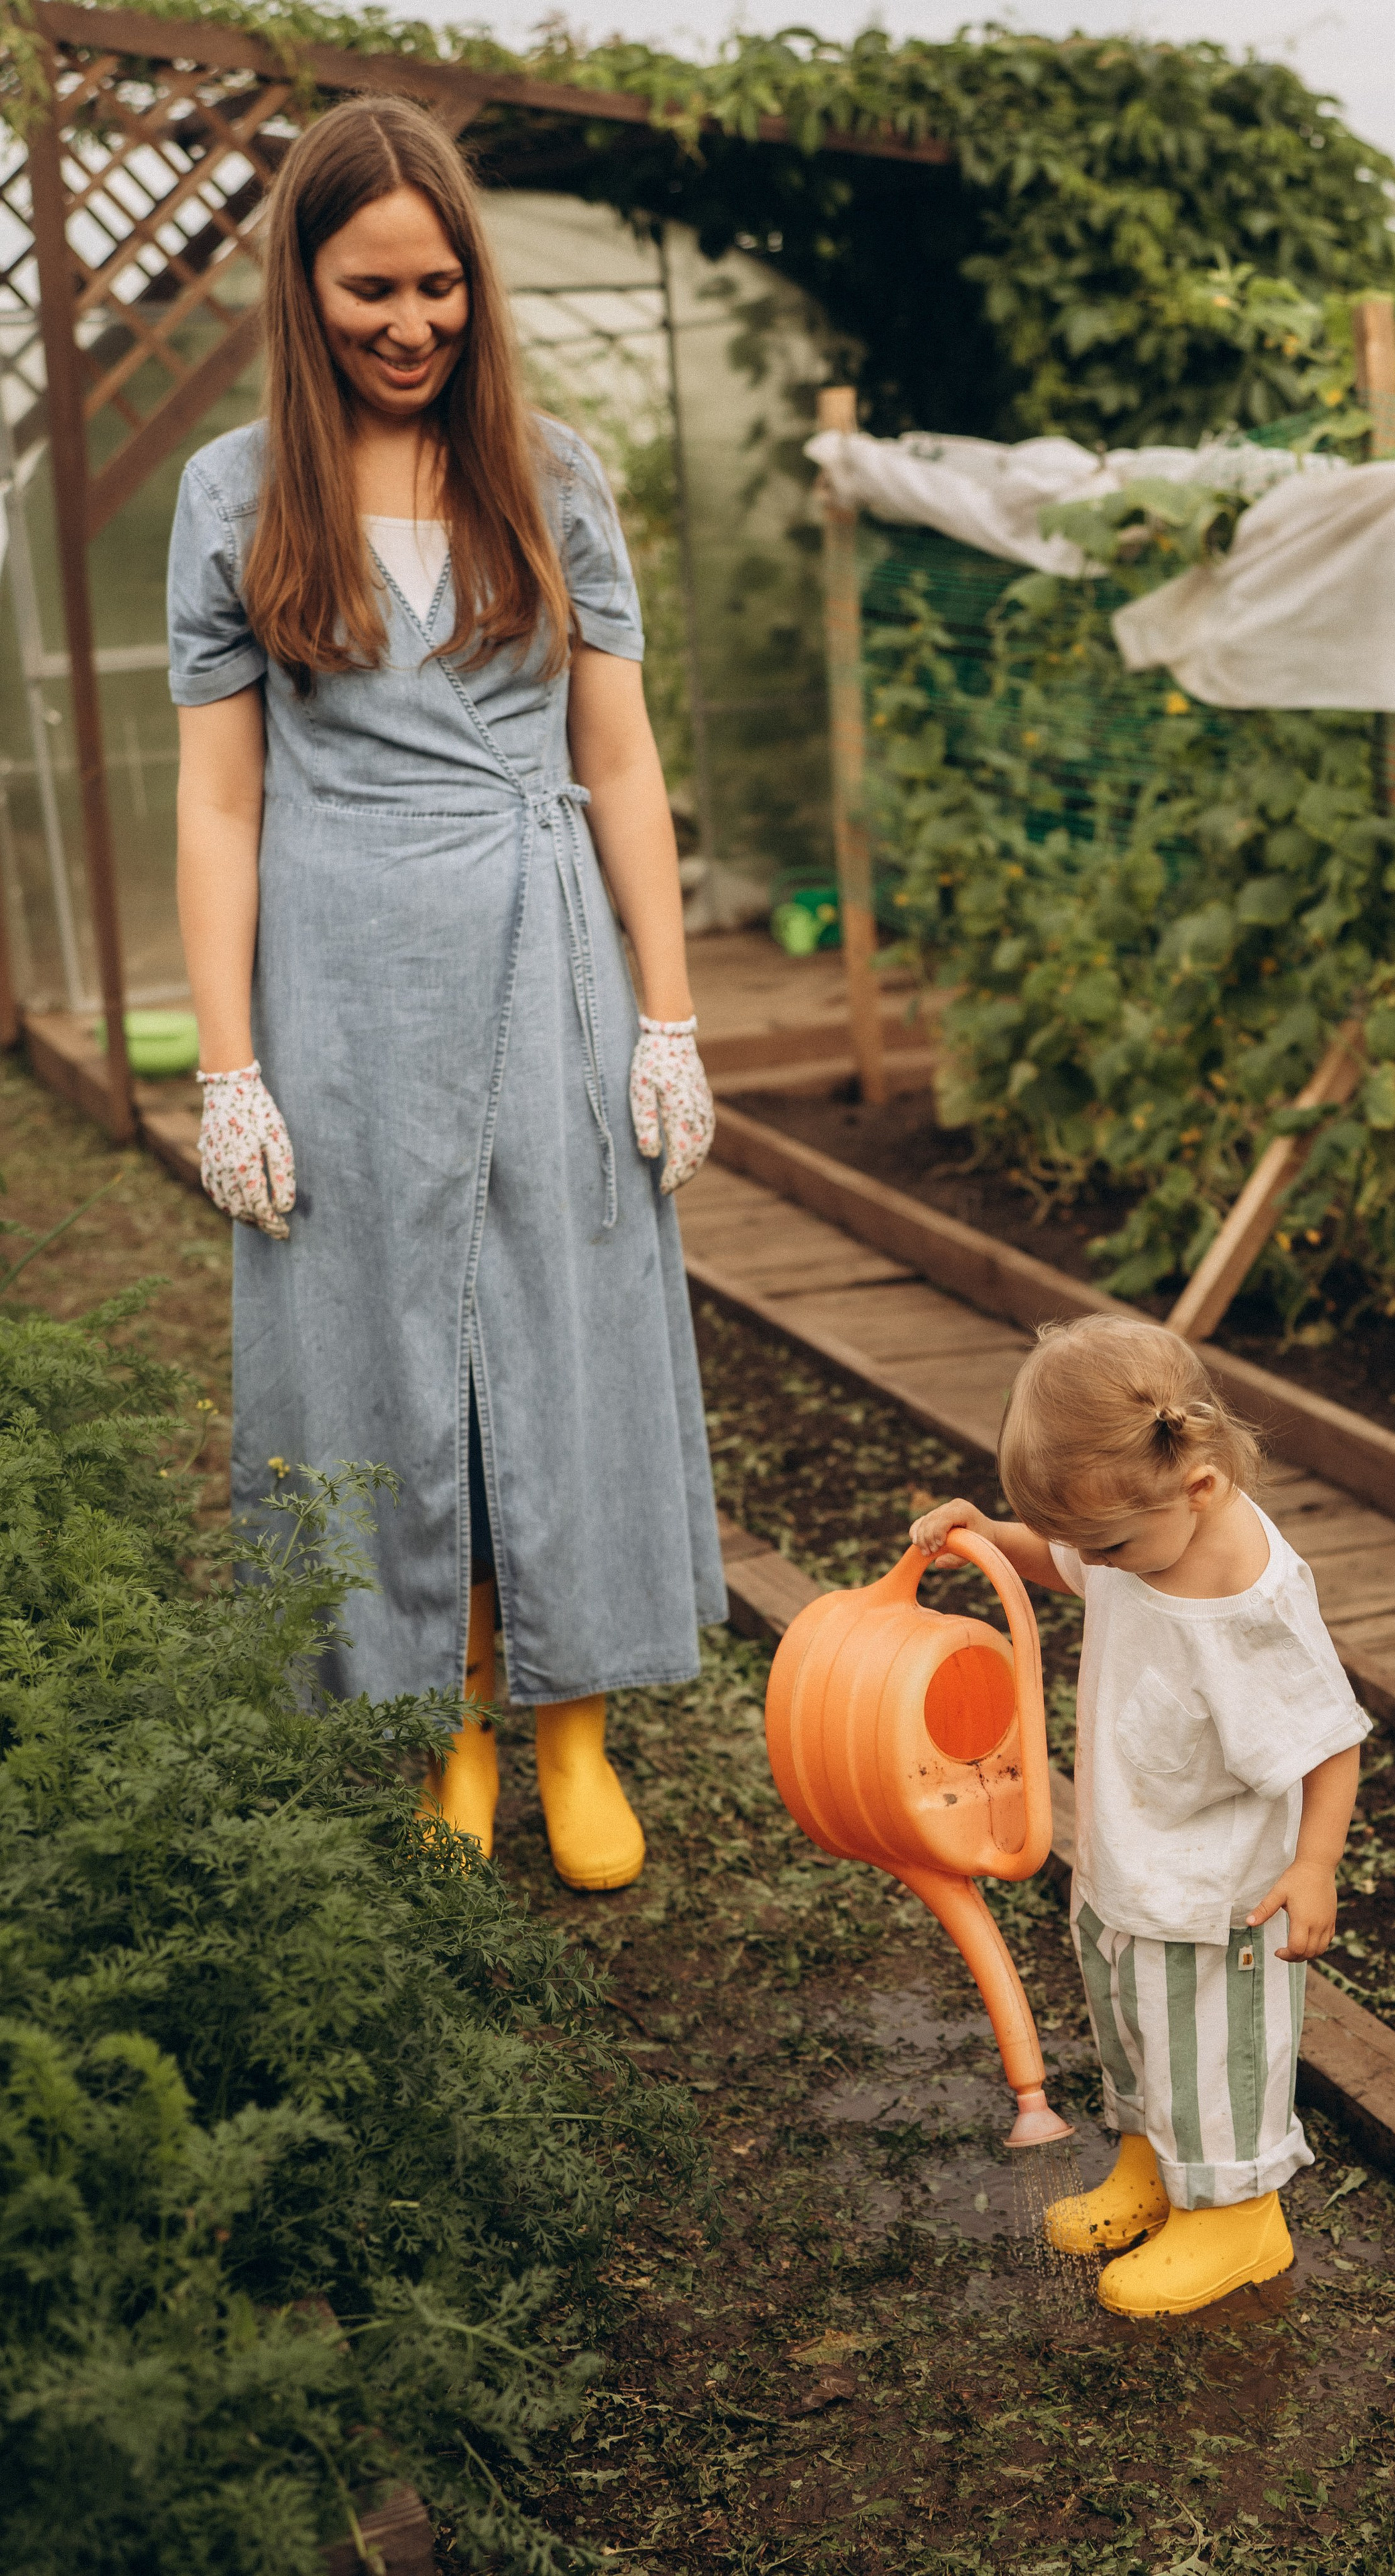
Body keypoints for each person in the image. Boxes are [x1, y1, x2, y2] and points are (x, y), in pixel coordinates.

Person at [168, 95, 726, 1891]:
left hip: (535, 950)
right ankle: (450, 1719)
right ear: (301, 290)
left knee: (559, 1321)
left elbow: (621, 766)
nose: (411, 325)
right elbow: (220, 799)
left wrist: (669, 1013)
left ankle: (575, 1722)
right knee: (375, 1344)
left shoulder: (548, 476)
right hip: (335, 971)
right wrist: (231, 1067)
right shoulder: (235, 497)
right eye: (369, 292)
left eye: (439, 287)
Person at [909, 1314, 1368, 2317]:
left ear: (1199, 1486)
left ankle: (1241, 2215)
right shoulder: (1132, 1533)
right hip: (1127, 1854)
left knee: (1213, 2051)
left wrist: (1317, 1864)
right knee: (1135, 2027)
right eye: (1081, 1542)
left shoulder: (1251, 1601)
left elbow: (1331, 1737)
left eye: (1102, 1544)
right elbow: (1066, 1554)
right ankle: (1151, 2166)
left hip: (1219, 1897)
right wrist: (991, 1534)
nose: (1092, 1564)